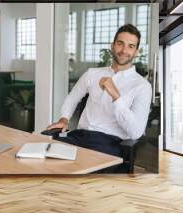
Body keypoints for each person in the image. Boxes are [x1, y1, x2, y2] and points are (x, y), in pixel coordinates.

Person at [46, 24, 152, 163]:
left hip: (109, 143)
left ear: (136, 52)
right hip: (78, 136)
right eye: (120, 44)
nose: (124, 50)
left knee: (74, 169)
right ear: (112, 46)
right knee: (44, 154)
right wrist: (64, 118)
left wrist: (116, 95)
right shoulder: (92, 74)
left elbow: (136, 132)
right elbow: (73, 98)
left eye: (131, 46)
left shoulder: (142, 86)